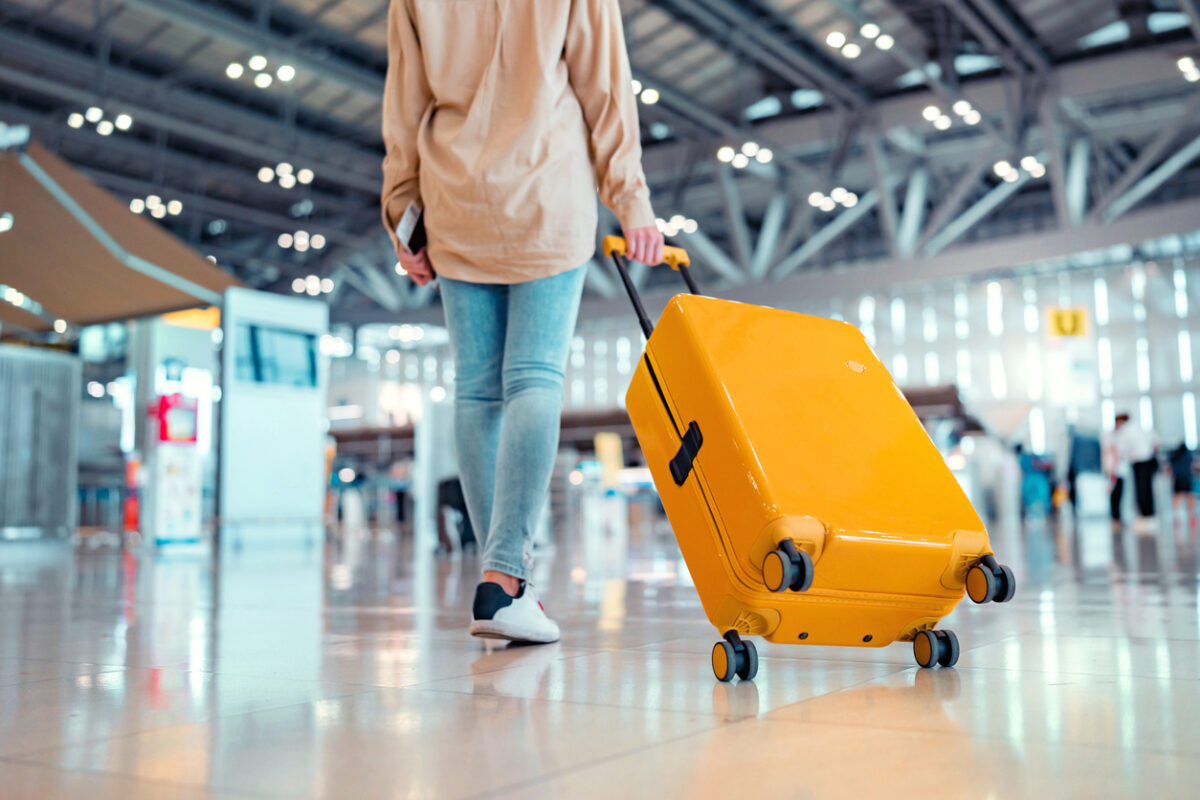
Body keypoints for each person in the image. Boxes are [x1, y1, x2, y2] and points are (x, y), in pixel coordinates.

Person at [381, 0, 663, 644]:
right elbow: (606, 89)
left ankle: (498, 586)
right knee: (534, 377)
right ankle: (506, 579)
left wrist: (401, 210)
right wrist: (632, 200)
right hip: (547, 195)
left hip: (457, 201)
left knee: (478, 390)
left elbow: (402, 103)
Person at [1109, 413, 1159, 532]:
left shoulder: (1124, 431)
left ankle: (1146, 518)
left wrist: (1113, 469)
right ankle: (1150, 517)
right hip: (1150, 460)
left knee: (1142, 490)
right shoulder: (1138, 426)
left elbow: (1119, 452)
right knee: (1147, 489)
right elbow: (1156, 443)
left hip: (1140, 462)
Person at [1169, 443, 1196, 522]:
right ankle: (1192, 514)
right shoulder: (1188, 455)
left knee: (1177, 496)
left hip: (1178, 478)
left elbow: (1171, 467)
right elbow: (1192, 467)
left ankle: (1176, 515)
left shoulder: (1175, 456)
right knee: (1189, 496)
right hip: (1187, 478)